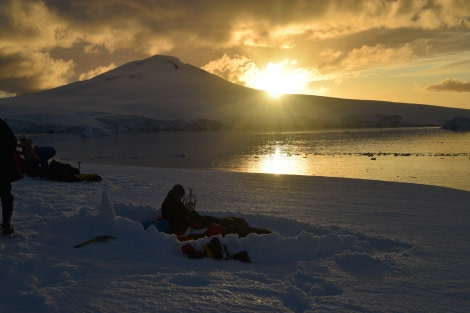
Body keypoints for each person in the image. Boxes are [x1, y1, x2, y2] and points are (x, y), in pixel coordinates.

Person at [161, 184, 271, 238]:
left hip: (196, 220)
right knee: (225, 227)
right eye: (180, 195)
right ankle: (257, 232)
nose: (181, 197)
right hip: (194, 223)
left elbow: (182, 214)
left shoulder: (172, 201)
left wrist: (190, 215)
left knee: (220, 220)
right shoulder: (169, 204)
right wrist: (188, 218)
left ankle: (242, 224)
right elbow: (175, 218)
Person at [0, 119, 23, 235]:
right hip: (2, 166)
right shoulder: (1, 124)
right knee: (5, 195)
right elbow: (12, 142)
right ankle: (6, 223)